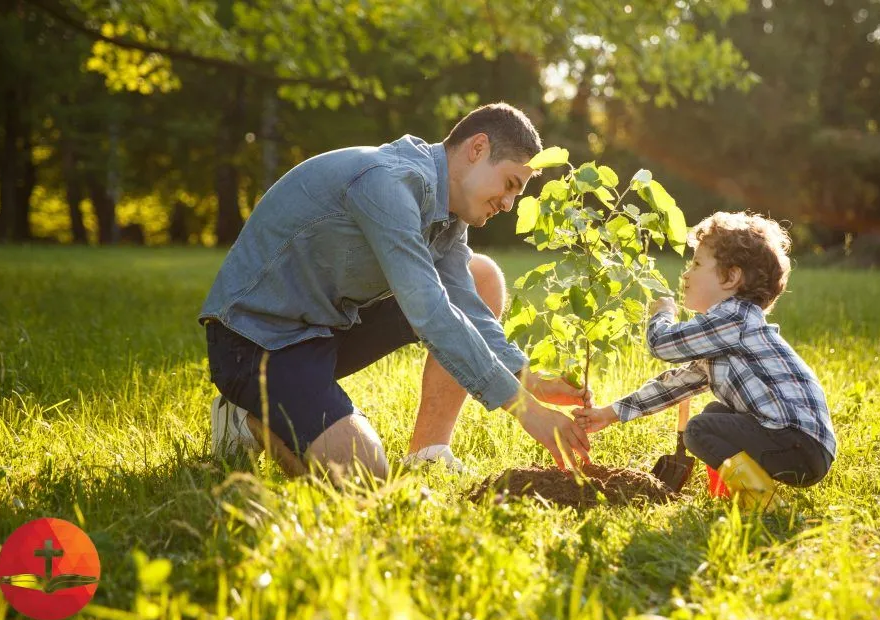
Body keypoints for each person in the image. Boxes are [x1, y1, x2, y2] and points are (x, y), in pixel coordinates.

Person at [199, 103, 592, 480]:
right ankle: (245, 420)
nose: (508, 204)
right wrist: (526, 411)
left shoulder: (449, 214)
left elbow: (467, 306)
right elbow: (430, 311)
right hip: (256, 341)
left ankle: (428, 454)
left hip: (324, 328)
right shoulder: (388, 182)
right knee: (364, 476)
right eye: (510, 185)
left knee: (480, 276)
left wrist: (528, 378)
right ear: (477, 148)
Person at [572, 211, 836, 509]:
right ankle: (733, 495)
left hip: (797, 443)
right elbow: (675, 386)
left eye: (696, 264)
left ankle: (764, 505)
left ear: (731, 277)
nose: (685, 274)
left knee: (699, 430)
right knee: (715, 413)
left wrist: (663, 314)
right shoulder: (727, 333)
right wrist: (610, 413)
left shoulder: (733, 317)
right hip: (802, 445)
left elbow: (662, 344)